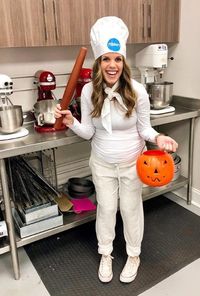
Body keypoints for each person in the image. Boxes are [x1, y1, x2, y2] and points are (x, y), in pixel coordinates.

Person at [55, 16, 178, 284]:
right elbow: (89, 132)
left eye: (118, 59)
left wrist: (160, 138)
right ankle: (106, 253)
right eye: (107, 59)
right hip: (101, 163)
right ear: (99, 63)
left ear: (124, 61)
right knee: (107, 209)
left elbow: (145, 130)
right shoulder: (88, 91)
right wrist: (71, 122)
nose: (113, 65)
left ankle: (134, 254)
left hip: (133, 163)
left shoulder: (137, 92)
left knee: (131, 209)